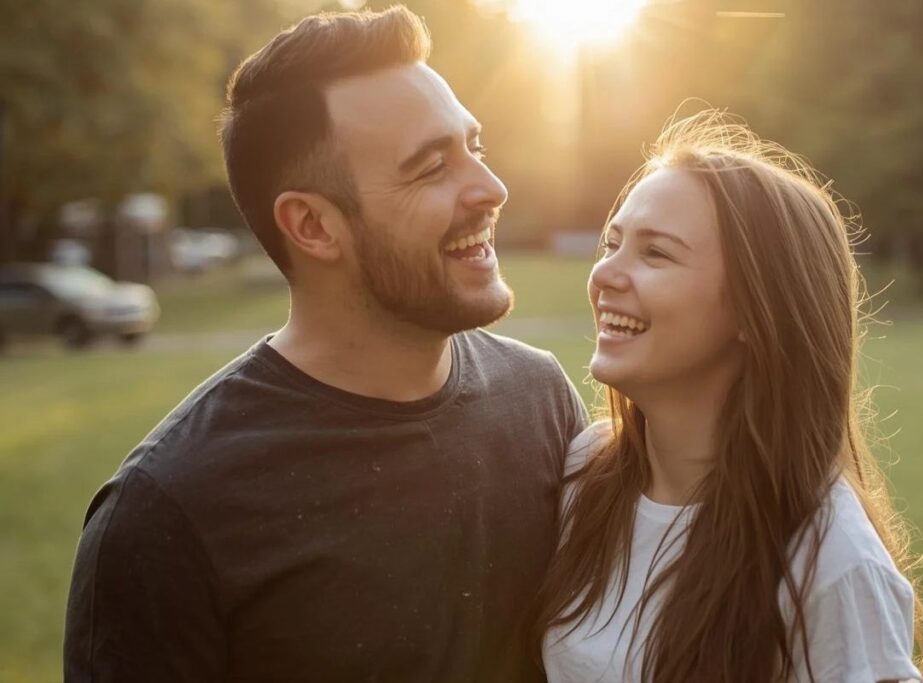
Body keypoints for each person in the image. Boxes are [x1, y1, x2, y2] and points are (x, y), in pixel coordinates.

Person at [64, 7, 587, 682]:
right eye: (431, 166)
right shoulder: (167, 515)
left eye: (474, 148)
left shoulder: (542, 402)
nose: (492, 188)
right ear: (312, 224)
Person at [533, 110, 923, 682]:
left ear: (756, 310)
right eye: (613, 243)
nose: (604, 275)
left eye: (656, 254)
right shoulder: (585, 473)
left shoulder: (830, 561)